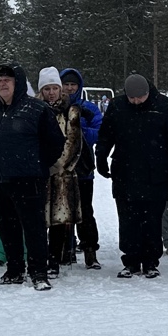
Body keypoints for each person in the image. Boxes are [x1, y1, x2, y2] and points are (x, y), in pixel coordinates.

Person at [0, 63, 64, 290]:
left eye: (8, 80)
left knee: (34, 228)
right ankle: (14, 270)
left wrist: (38, 165)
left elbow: (56, 142)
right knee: (7, 228)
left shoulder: (37, 109)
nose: (3, 84)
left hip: (29, 179)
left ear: (18, 83)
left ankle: (39, 273)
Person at [96, 72, 168, 277]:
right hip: (125, 172)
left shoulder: (164, 106)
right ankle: (131, 261)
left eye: (140, 97)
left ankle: (151, 262)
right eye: (132, 98)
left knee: (152, 220)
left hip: (156, 173)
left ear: (148, 92)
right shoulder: (117, 106)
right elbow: (106, 135)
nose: (136, 101)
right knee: (128, 220)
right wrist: (101, 157)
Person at [38, 67, 87, 278]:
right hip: (39, 174)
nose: (51, 93)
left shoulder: (70, 111)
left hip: (62, 174)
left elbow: (73, 142)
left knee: (59, 220)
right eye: (47, 89)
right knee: (39, 220)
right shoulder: (35, 110)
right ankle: (39, 258)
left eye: (54, 88)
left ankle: (54, 260)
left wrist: (57, 165)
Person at [61, 68, 103, 269]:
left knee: (85, 211)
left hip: (83, 168)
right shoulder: (55, 107)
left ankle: (90, 249)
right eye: (66, 84)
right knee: (62, 211)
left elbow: (100, 133)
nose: (70, 88)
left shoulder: (89, 108)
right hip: (61, 168)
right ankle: (65, 249)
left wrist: (80, 128)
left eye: (73, 85)